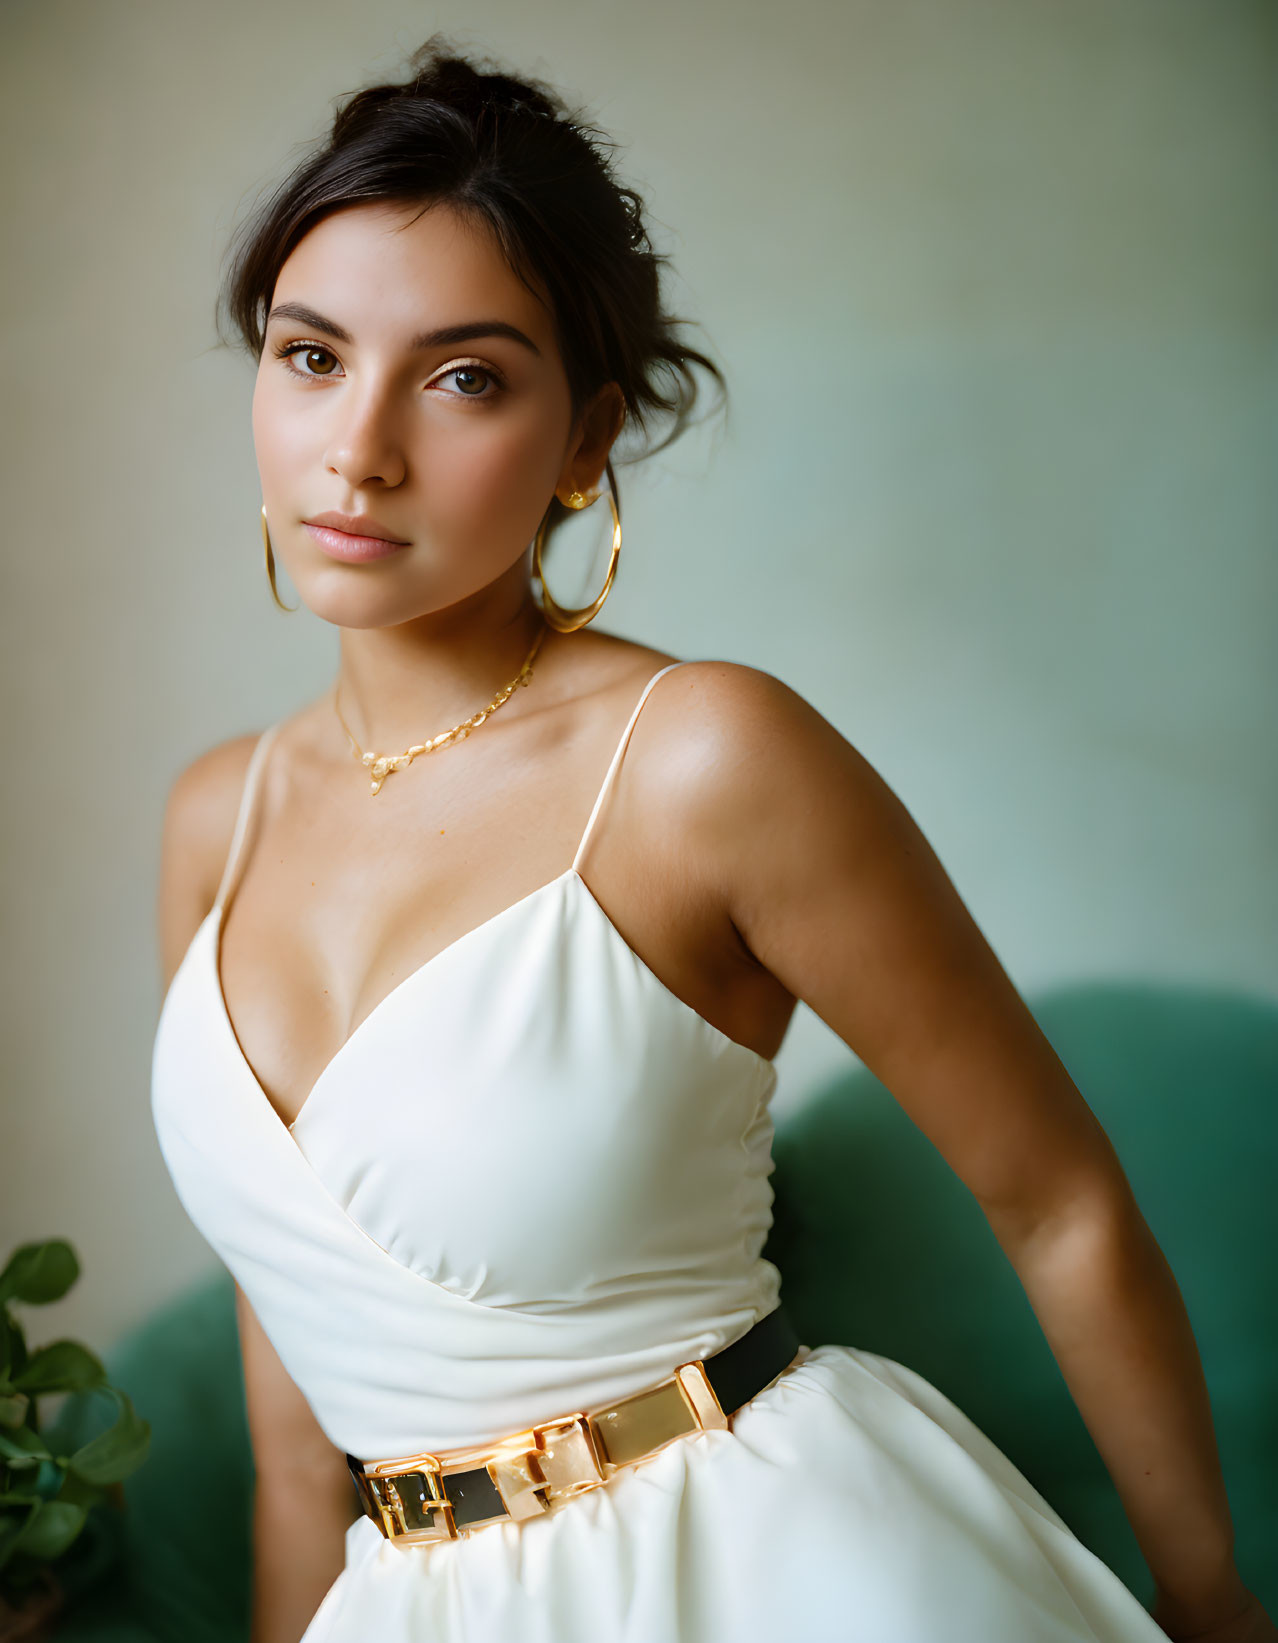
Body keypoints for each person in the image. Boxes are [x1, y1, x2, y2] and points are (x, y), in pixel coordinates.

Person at [150, 35, 1274, 1643]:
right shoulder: (215, 816)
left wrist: (1209, 1601)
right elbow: (291, 1390)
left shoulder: (702, 759)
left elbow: (1058, 1201)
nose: (361, 446)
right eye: (310, 356)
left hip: (766, 1565)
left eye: (462, 376)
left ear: (587, 439)